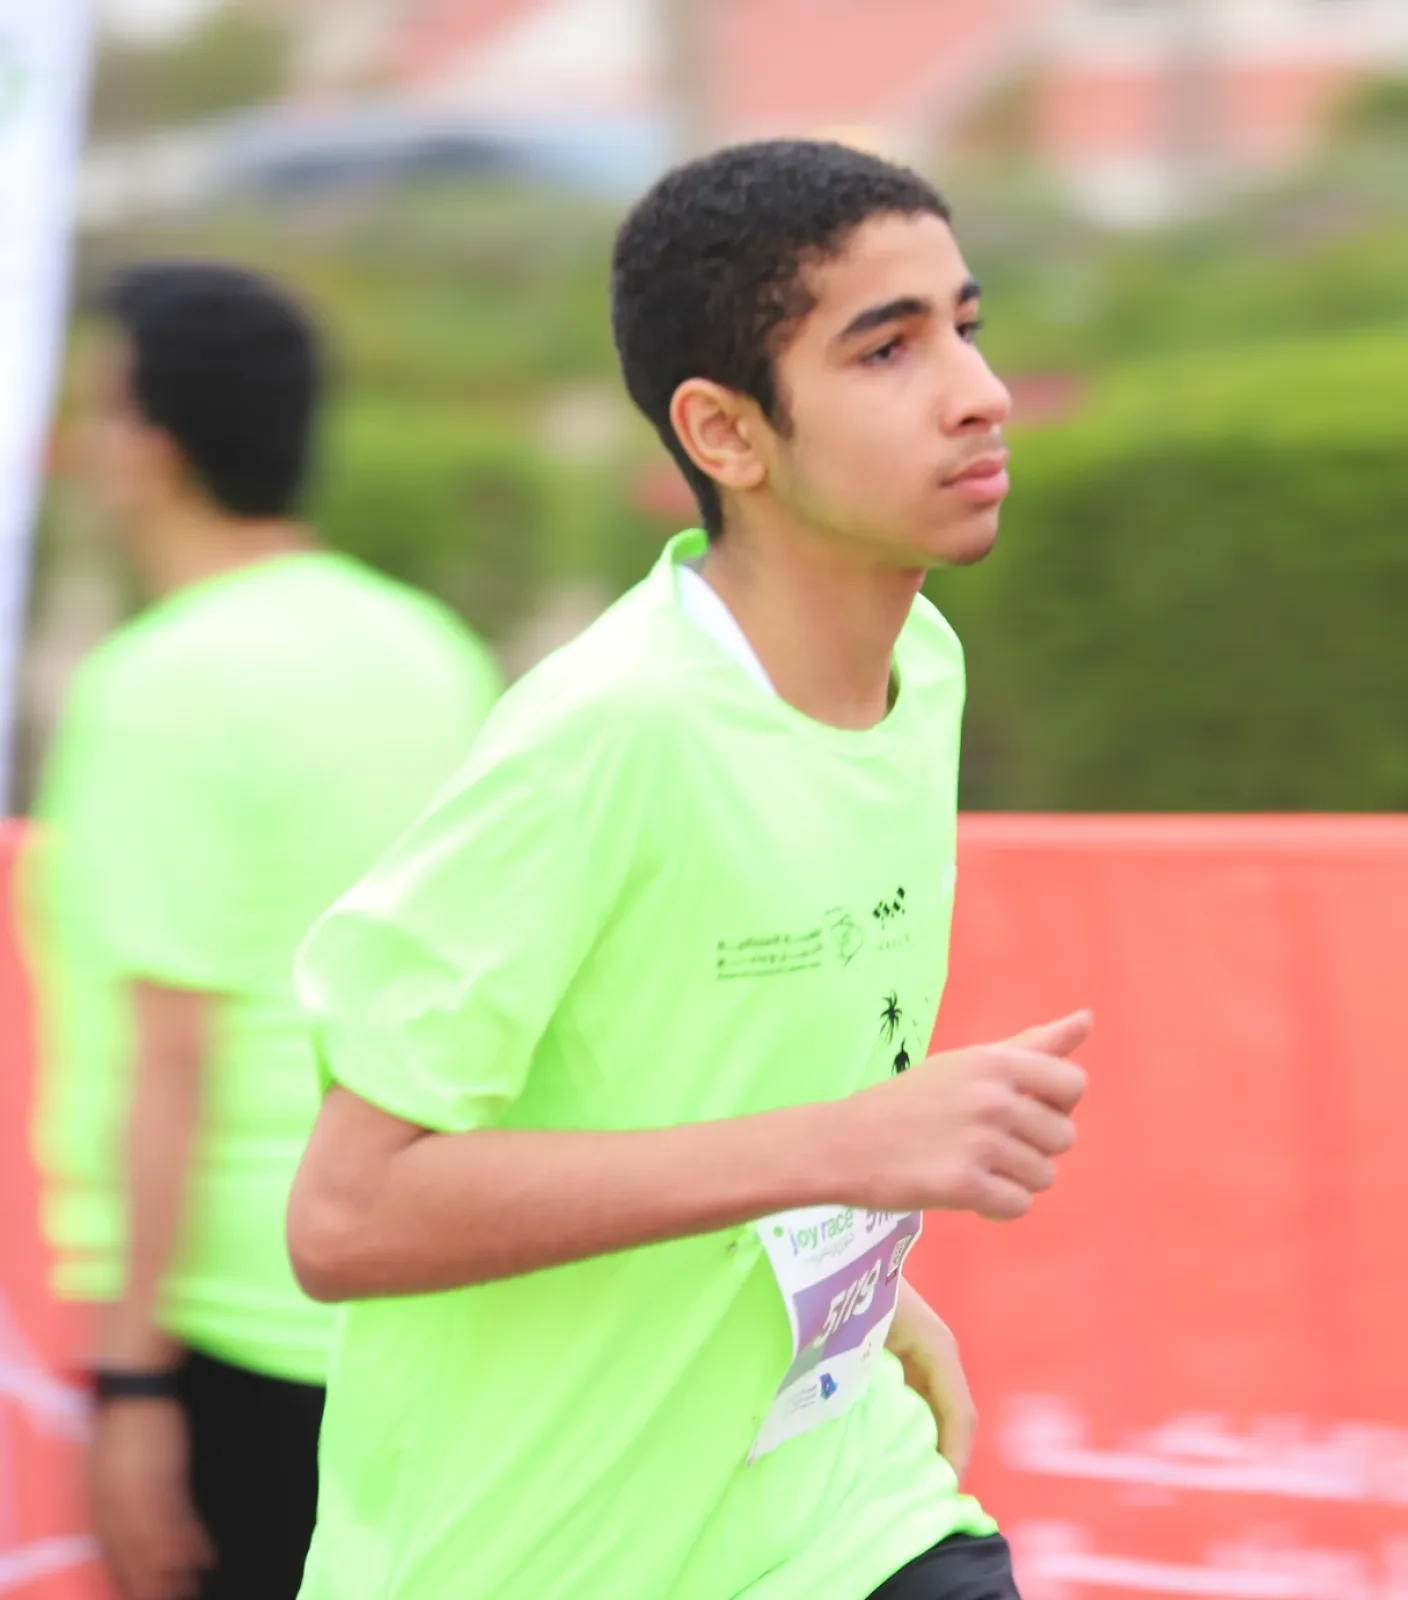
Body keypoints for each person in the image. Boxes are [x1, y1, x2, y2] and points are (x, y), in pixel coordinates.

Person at [286, 141, 1091, 1600]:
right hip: (534, 1562)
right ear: (725, 432)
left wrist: (865, 1290)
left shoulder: (921, 666)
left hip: (842, 1524)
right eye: (888, 349)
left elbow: (724, 1077)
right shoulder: (607, 736)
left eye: (965, 327)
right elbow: (346, 1218)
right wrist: (848, 1149)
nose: (979, 393)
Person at [26, 262, 502, 1600]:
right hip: (419, 1305)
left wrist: (133, 1383)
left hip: (227, 1320)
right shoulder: (435, 651)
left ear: (151, 448)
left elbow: (167, 1056)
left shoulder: (154, 688)